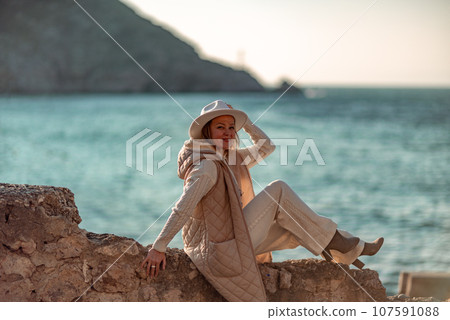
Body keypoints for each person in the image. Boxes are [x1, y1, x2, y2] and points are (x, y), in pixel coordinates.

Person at [141, 100, 383, 302]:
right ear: (207, 132)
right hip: (218, 247)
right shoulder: (207, 167)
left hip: (229, 238)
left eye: (231, 127)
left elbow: (266, 146)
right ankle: (344, 244)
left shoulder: (229, 159)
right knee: (278, 190)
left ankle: (347, 247)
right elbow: (182, 207)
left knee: (296, 226)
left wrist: (245, 123)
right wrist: (158, 247)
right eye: (220, 127)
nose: (227, 132)